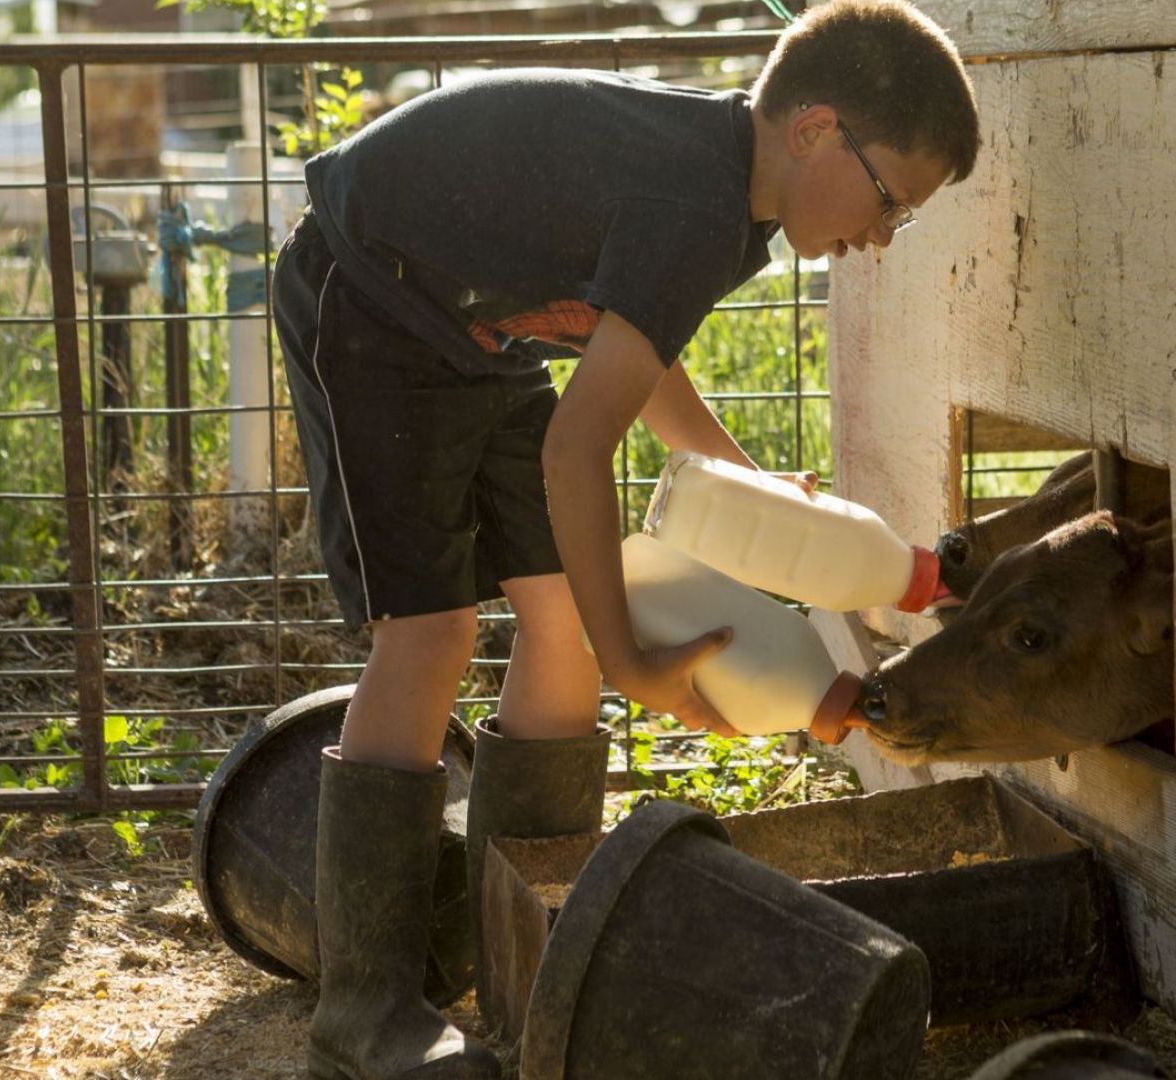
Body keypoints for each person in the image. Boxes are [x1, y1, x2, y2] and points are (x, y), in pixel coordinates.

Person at [268, 1, 979, 1075]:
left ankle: (505, 950)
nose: (881, 235)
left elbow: (637, 343)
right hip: (371, 298)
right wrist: (635, 662)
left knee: (556, 622)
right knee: (431, 633)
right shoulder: (699, 198)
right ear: (815, 128)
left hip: (484, 329)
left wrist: (744, 488)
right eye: (890, 200)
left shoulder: (736, 200)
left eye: (903, 219)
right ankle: (363, 1008)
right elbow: (574, 452)